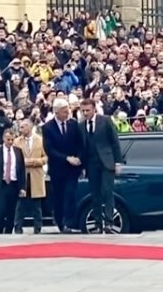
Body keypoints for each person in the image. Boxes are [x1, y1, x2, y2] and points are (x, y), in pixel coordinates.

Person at [80, 98, 123, 234]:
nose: (85, 113)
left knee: (107, 192)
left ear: (94, 109)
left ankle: (109, 223)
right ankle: (98, 223)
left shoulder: (105, 120)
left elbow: (115, 142)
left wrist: (117, 162)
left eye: (87, 110)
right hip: (91, 164)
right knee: (95, 194)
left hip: (106, 162)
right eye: (83, 111)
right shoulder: (81, 126)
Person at [42, 97, 83, 233]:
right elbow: (49, 149)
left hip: (72, 169)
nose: (67, 114)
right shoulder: (48, 127)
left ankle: (69, 223)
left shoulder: (73, 124)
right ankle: (60, 222)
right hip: (57, 168)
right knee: (59, 197)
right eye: (64, 112)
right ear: (57, 112)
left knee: (70, 195)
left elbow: (80, 144)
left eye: (68, 111)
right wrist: (66, 158)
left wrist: (78, 158)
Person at [0, 128, 26, 234]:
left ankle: (8, 232)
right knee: (1, 211)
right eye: (8, 139)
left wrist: (23, 187)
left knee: (11, 211)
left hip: (14, 184)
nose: (10, 142)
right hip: (2, 184)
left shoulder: (18, 151)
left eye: (12, 140)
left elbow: (22, 170)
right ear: (3, 138)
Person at [14, 118, 47, 234]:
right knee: (20, 204)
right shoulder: (17, 141)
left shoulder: (40, 140)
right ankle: (18, 227)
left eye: (23, 127)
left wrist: (33, 161)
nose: (20, 129)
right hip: (22, 176)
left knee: (36, 205)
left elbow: (45, 157)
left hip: (36, 175)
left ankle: (38, 228)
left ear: (29, 127)